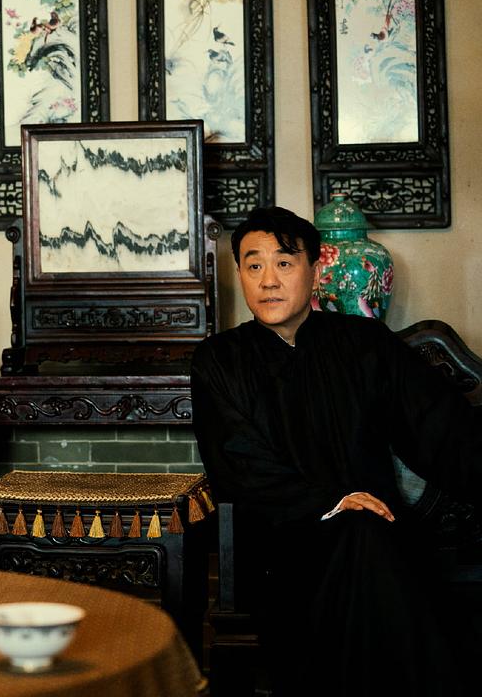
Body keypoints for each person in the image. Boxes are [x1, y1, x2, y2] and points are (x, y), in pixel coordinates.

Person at [191, 206, 481, 696]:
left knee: (371, 538)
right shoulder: (219, 359)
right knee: (365, 542)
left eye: (284, 263)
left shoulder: (365, 344)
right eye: (253, 265)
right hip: (282, 544)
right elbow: (237, 460)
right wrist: (333, 502)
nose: (268, 280)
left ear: (315, 270)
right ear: (239, 273)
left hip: (379, 528)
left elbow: (438, 426)